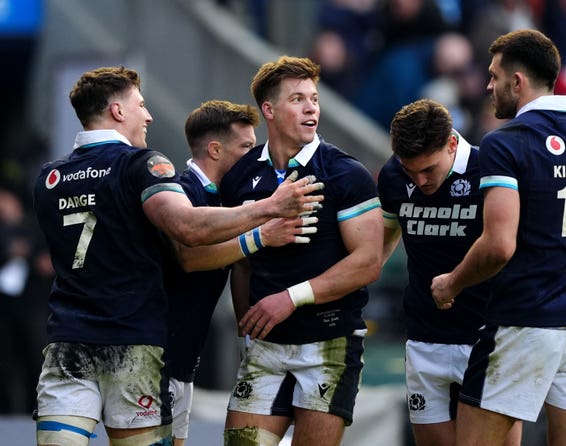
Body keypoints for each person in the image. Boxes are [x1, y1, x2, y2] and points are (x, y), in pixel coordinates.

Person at [32, 66, 323, 446]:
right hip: (132, 342)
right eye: (140, 104)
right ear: (118, 111)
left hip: (68, 340)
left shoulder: (49, 177)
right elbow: (187, 228)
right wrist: (270, 208)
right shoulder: (143, 165)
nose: (148, 115)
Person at [430, 29, 566, 446]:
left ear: (517, 82)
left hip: (524, 322)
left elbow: (499, 245)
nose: (488, 85)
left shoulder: (505, 143)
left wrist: (452, 282)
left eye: (494, 75)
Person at [220, 55, 383, 446]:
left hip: (329, 341)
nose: (311, 107)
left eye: (314, 98)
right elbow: (239, 264)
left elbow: (368, 262)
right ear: (269, 110)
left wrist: (291, 298)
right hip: (265, 348)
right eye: (297, 99)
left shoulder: (346, 174)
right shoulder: (241, 177)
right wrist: (247, 331)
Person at [165, 99, 319, 446]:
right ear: (216, 150)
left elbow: (240, 267)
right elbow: (190, 257)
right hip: (155, 354)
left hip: (183, 355)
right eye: (246, 147)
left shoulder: (227, 201)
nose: (254, 156)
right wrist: (262, 236)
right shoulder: (181, 193)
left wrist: (243, 336)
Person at [378, 98, 522, 446]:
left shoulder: (493, 169)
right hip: (426, 338)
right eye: (411, 170)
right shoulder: (393, 176)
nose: (421, 179)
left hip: (490, 337)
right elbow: (379, 246)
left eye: (428, 169)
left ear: (453, 143)